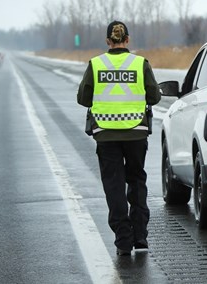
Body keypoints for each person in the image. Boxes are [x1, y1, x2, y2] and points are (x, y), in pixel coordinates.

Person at [77, 21, 161, 256]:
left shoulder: (95, 64)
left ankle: (123, 239)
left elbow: (83, 99)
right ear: (127, 40)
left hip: (105, 134)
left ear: (107, 41)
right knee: (136, 180)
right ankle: (141, 236)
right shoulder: (140, 63)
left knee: (114, 185)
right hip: (136, 132)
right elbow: (153, 96)